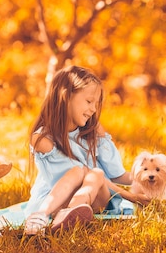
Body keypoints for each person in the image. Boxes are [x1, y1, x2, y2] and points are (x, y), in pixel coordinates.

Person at [23, 65, 149, 236]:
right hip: (54, 201)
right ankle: (44, 215)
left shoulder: (93, 130)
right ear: (65, 96)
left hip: (94, 198)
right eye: (89, 102)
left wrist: (149, 177)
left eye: (96, 104)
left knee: (96, 175)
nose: (93, 110)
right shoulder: (43, 139)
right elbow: (79, 173)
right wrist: (131, 197)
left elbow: (117, 175)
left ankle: (70, 214)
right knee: (91, 173)